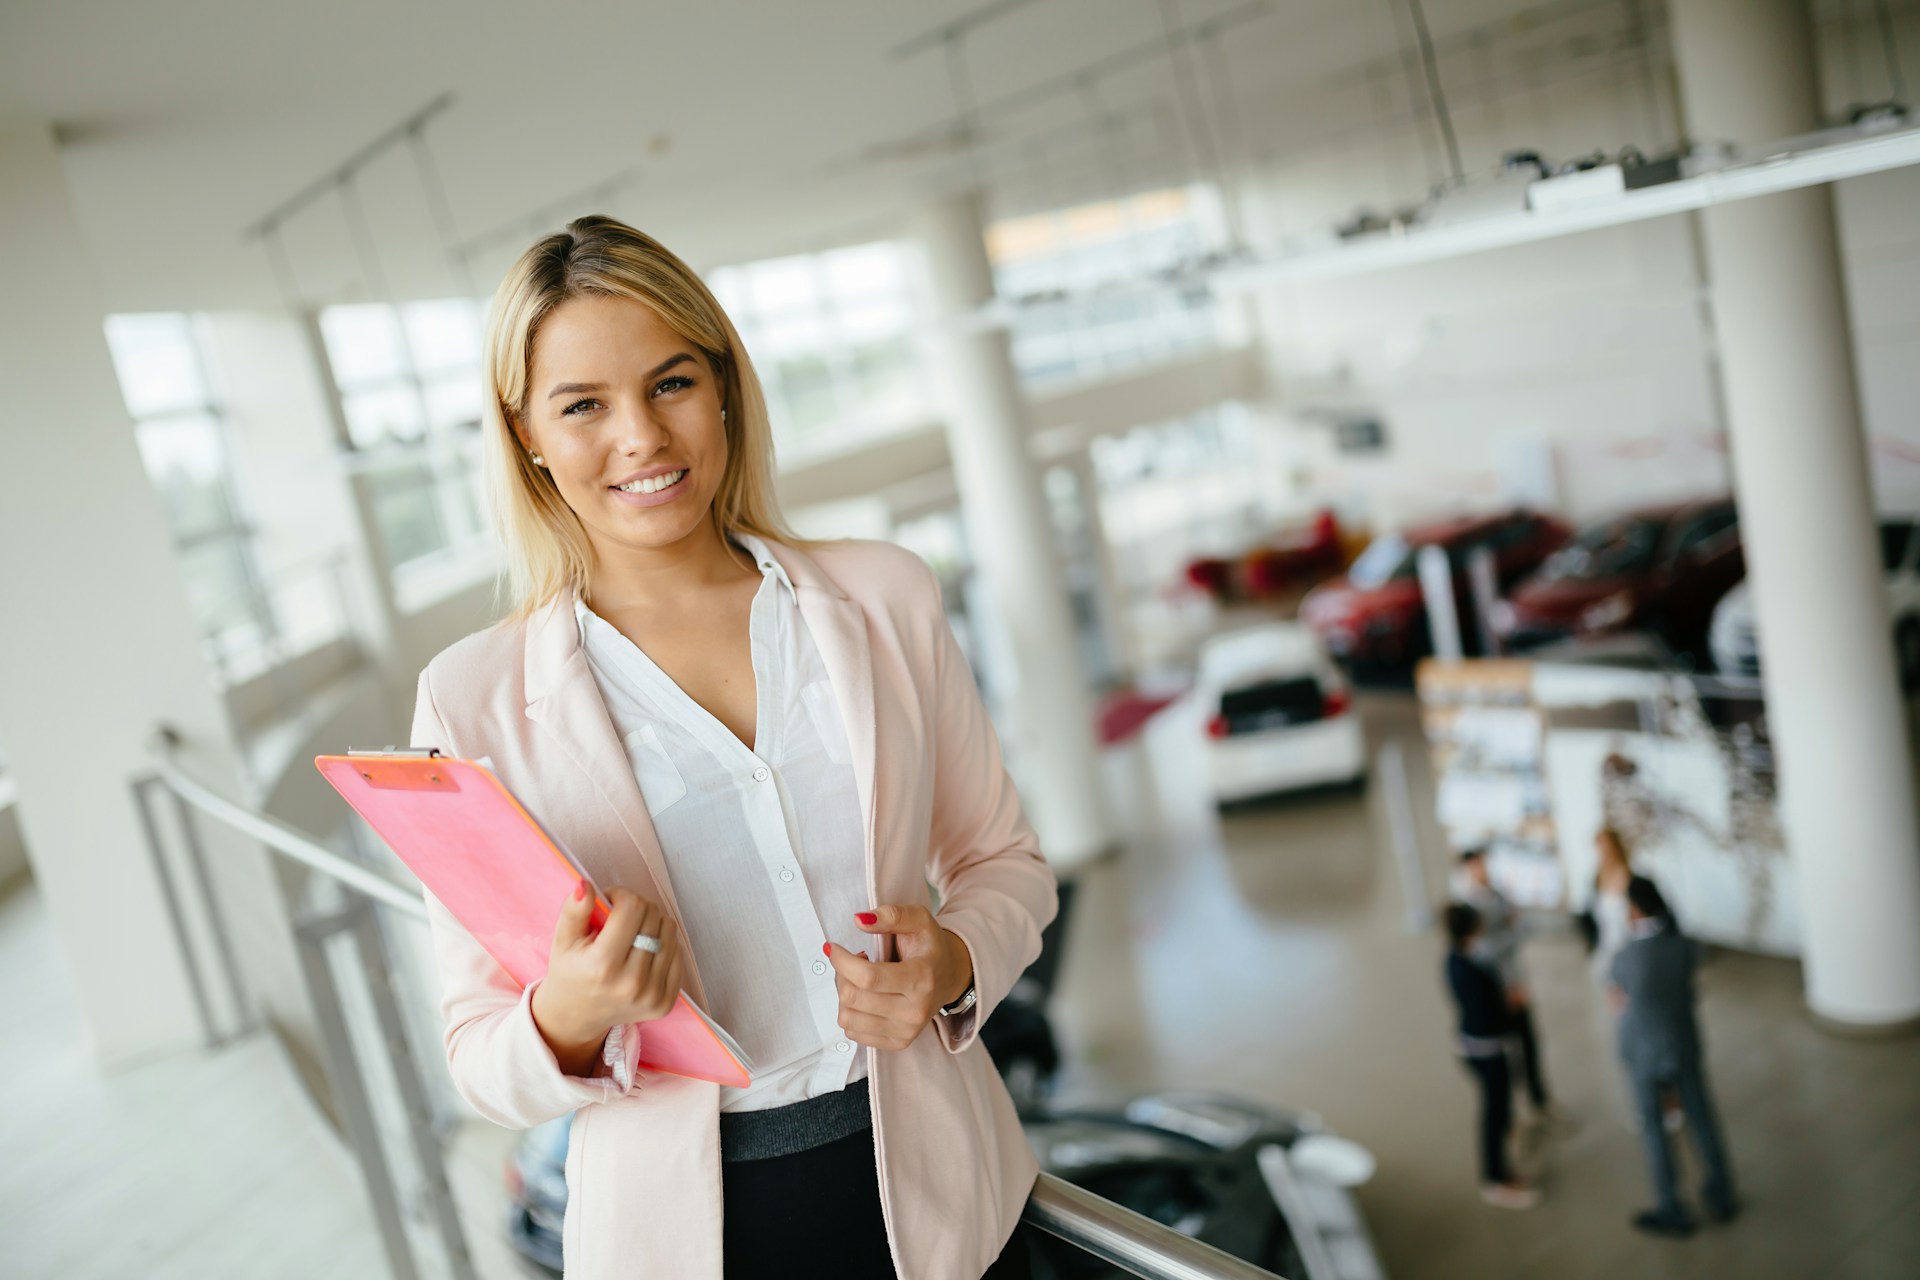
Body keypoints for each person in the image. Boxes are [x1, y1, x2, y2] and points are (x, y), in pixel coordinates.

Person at [409, 216, 1055, 1280]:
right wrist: (570, 1011)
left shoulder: (882, 596)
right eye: (583, 405)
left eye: (670, 383)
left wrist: (953, 959)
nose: (643, 438)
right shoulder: (471, 697)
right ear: (526, 432)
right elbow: (479, 1054)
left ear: (722, 387)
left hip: (952, 1200)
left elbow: (1006, 863)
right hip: (689, 1235)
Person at [1609, 876, 1737, 1238]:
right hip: (1683, 1044)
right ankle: (1721, 1193)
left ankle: (1671, 1207)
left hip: (1645, 1053)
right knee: (1702, 1117)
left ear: (1633, 909)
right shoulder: (1683, 945)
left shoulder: (1627, 955)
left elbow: (1617, 993)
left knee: (1654, 1128)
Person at [1443, 903, 1540, 1209]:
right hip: (1486, 1051)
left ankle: (1501, 1169)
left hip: (1473, 1046)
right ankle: (1494, 1180)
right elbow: (1489, 1017)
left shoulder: (1455, 960)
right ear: (1474, 927)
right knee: (1493, 1115)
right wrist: (1512, 1007)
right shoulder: (1473, 971)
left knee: (1498, 1111)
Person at [1454, 847, 1554, 1122]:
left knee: (1530, 1044)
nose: (1482, 870)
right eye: (1476, 866)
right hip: (1497, 990)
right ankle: (1515, 1118)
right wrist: (1509, 933)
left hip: (1516, 982)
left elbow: (1523, 927)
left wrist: (1509, 931)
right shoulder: (1468, 907)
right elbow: (1484, 950)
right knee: (1508, 1055)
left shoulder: (1498, 895)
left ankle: (1540, 1102)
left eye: (1483, 864)